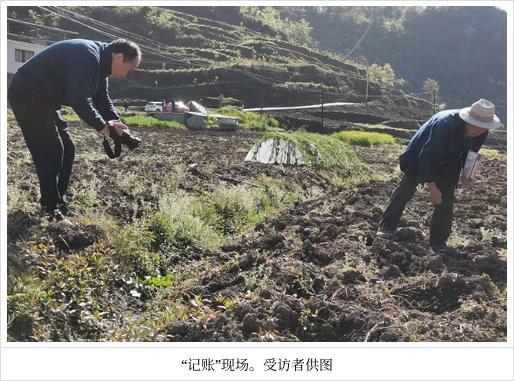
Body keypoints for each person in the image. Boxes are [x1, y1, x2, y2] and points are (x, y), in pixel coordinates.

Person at [8, 38, 141, 223]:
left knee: (68, 149)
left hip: (45, 100)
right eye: (129, 68)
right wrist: (103, 127)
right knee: (51, 150)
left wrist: (119, 126)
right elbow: (79, 99)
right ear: (119, 57)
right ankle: (50, 209)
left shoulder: (100, 66)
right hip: (26, 94)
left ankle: (59, 204)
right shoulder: (87, 55)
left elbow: (102, 99)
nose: (127, 74)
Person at [376, 99, 502, 251]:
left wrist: (467, 174)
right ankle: (386, 227)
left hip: (450, 158)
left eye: (482, 128)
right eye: (474, 125)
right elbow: (428, 155)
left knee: (446, 196)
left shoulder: (482, 131)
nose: (477, 131)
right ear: (467, 119)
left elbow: (471, 153)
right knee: (407, 187)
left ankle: (438, 242)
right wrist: (432, 187)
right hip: (421, 153)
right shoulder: (445, 124)